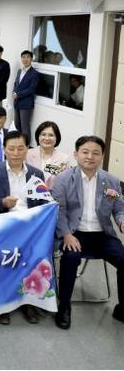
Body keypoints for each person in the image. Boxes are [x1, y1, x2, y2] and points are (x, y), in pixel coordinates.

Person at [52, 135, 124, 330]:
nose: (90, 157)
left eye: (95, 153)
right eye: (85, 152)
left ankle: (122, 308)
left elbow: (119, 208)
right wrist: (66, 234)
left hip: (102, 234)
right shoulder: (63, 179)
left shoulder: (111, 181)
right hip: (74, 233)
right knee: (70, 258)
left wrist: (121, 221)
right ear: (76, 154)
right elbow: (58, 211)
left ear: (102, 156)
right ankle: (64, 307)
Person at [0, 130, 45, 325]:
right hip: (3, 225)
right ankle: (1, 303)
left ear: (27, 149)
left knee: (35, 255)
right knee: (1, 259)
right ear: (4, 149)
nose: (16, 153)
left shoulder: (36, 174)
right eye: (11, 149)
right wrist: (2, 202)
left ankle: (29, 301)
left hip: (30, 227)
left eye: (21, 148)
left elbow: (43, 202)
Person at [26, 121, 71, 189]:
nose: (47, 138)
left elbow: (66, 183)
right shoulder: (27, 154)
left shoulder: (63, 159)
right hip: (29, 192)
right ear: (38, 136)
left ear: (56, 138)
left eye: (51, 135)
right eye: (43, 134)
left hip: (54, 194)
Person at [12, 50, 40, 144]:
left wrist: (18, 95)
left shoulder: (35, 73)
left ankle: (26, 145)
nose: (25, 59)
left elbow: (31, 89)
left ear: (31, 59)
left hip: (26, 103)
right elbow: (16, 84)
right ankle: (19, 143)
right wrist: (14, 92)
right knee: (17, 124)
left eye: (28, 57)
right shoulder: (19, 71)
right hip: (17, 102)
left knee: (25, 127)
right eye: (23, 57)